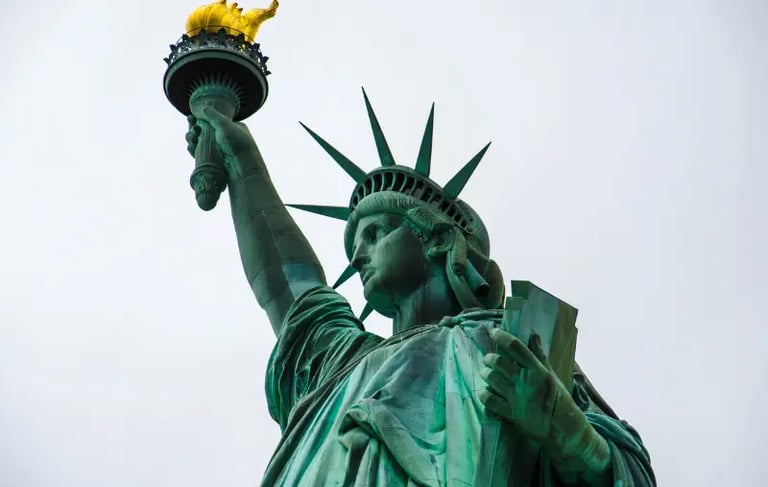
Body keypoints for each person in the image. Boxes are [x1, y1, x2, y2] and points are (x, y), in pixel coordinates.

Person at [184, 97, 655, 486]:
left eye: (376, 234)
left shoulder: (506, 346)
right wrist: (240, 159)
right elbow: (289, 286)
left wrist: (565, 430)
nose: (357, 256)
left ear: (433, 238)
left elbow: (627, 472)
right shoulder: (343, 364)